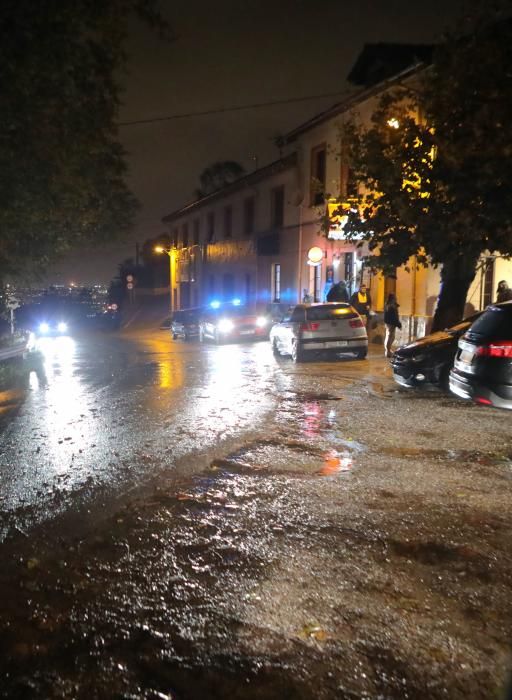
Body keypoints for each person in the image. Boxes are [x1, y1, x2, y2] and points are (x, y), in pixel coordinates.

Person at [383, 293, 401, 357]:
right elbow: (393, 316)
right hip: (391, 323)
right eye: (395, 298)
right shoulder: (390, 306)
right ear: (392, 299)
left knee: (390, 336)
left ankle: (388, 349)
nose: (396, 298)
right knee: (391, 337)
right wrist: (398, 324)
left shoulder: (390, 305)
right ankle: (388, 350)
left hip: (390, 323)